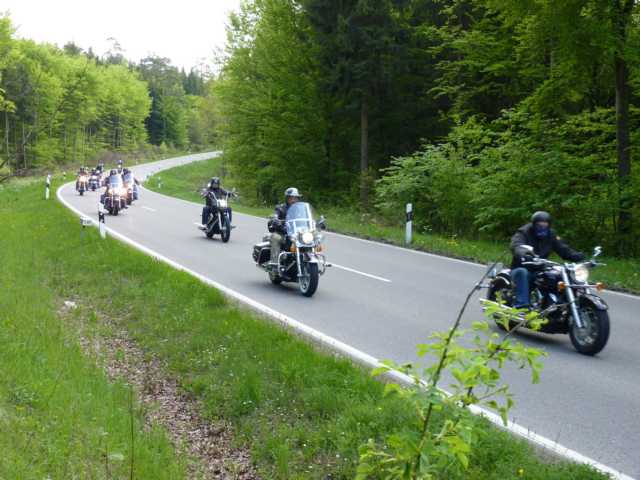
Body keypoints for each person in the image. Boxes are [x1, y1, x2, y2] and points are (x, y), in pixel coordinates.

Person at [510, 211, 585, 309]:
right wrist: (523, 252)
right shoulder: (524, 232)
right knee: (522, 272)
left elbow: (563, 249)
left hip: (540, 268)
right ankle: (521, 306)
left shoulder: (551, 234)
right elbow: (516, 244)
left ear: (549, 225)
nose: (542, 227)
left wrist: (578, 256)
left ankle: (559, 305)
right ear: (534, 224)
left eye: (545, 225)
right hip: (523, 266)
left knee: (557, 276)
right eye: (539, 225)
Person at [267, 187, 302, 268]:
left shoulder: (300, 209)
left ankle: (309, 260)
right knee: (275, 237)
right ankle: (274, 264)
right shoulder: (280, 208)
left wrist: (316, 223)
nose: (293, 200)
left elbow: (306, 219)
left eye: (295, 198)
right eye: (291, 198)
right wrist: (276, 220)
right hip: (283, 233)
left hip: (297, 234)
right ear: (287, 198)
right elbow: (275, 216)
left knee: (310, 240)